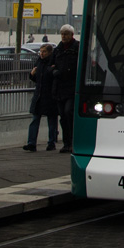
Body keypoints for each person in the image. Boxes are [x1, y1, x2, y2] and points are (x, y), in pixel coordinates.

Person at [23, 43, 57, 152]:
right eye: (40, 52)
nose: (41, 54)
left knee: (51, 120)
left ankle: (51, 143)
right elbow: (37, 79)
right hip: (39, 95)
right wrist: (32, 75)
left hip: (50, 95)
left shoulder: (52, 62)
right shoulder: (39, 62)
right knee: (35, 119)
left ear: (49, 52)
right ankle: (31, 143)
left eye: (44, 52)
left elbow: (53, 77)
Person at [51, 25, 79, 153]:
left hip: (72, 87)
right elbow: (50, 66)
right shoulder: (58, 50)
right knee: (62, 116)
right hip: (59, 88)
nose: (63, 36)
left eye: (66, 34)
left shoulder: (77, 48)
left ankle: (73, 141)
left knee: (69, 112)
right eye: (62, 34)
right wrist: (54, 71)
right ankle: (66, 142)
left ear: (71, 35)